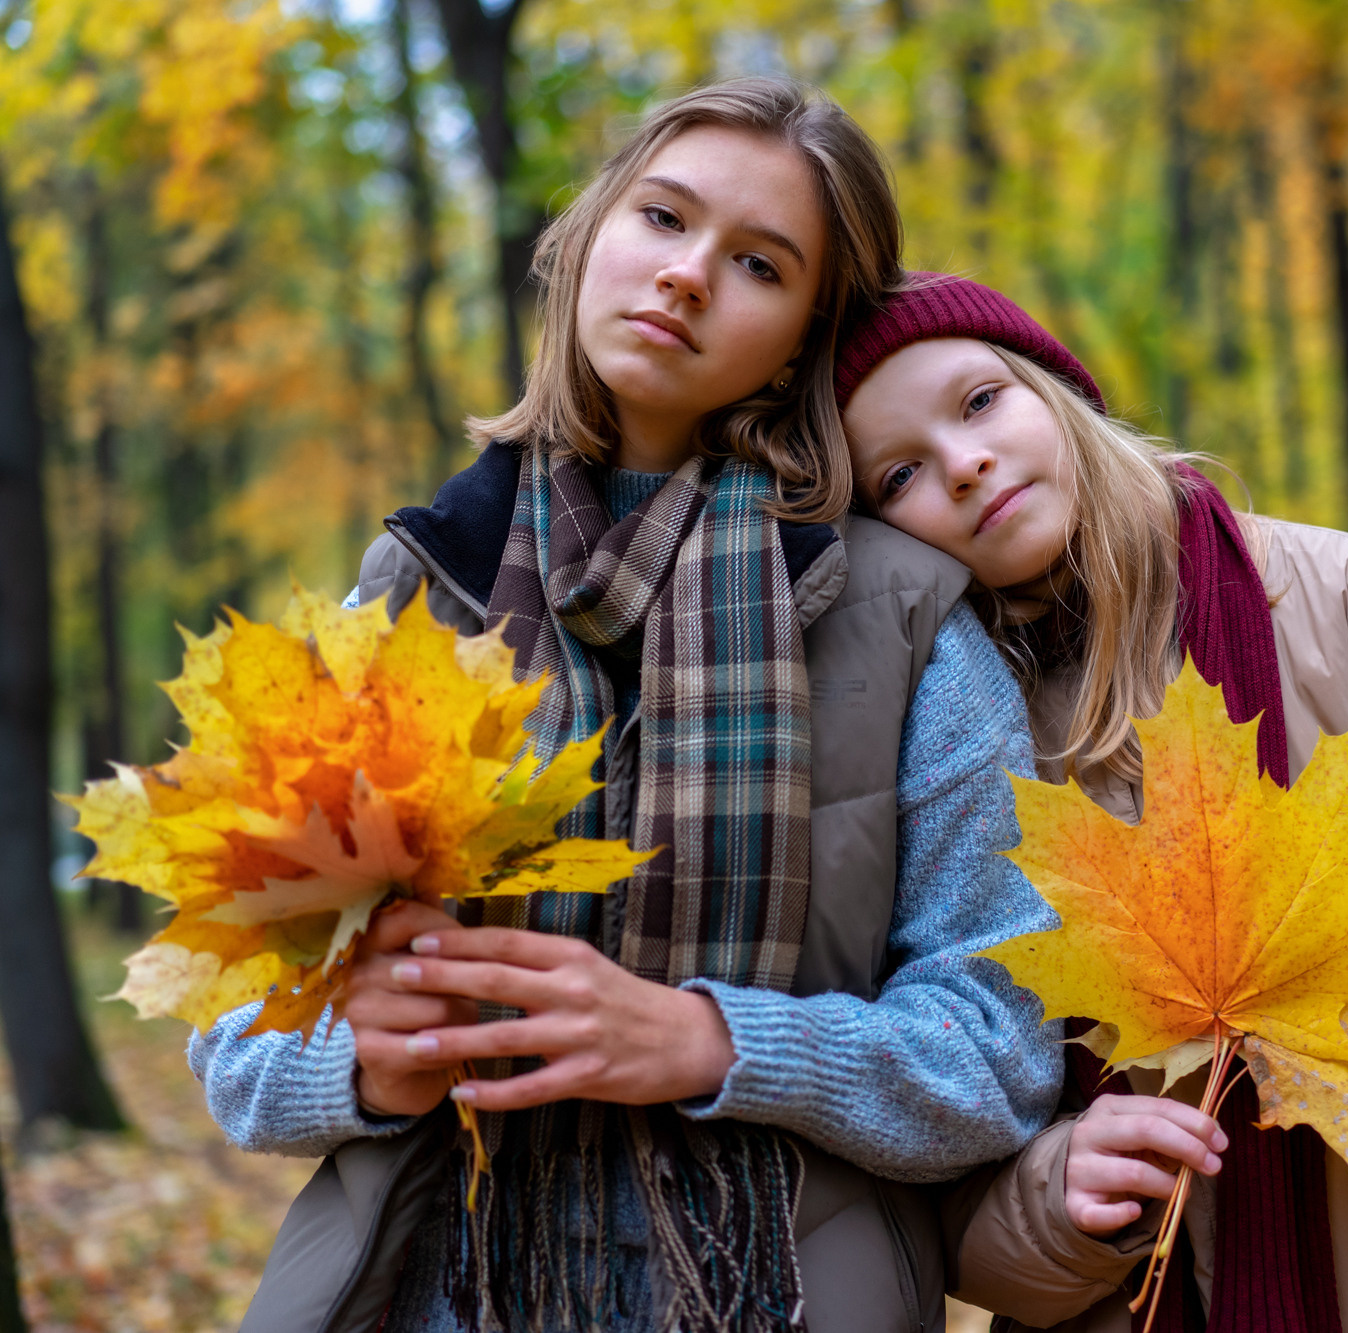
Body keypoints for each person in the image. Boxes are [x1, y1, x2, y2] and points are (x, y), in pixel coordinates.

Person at [187, 85, 1062, 1333]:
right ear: (588, 235)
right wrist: (365, 1064)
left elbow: (999, 1054)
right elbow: (232, 1043)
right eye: (663, 217)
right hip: (433, 1286)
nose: (688, 276)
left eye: (758, 262)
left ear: (804, 334)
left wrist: (713, 1042)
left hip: (780, 1291)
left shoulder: (905, 617)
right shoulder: (407, 593)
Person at [833, 275, 1348, 1332]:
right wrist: (1056, 1203)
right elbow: (942, 1185)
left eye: (980, 400)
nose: (963, 463)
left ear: (1053, 390)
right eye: (897, 473)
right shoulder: (943, 754)